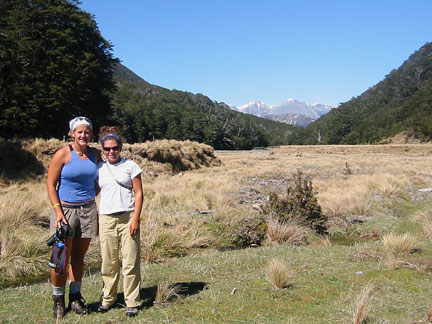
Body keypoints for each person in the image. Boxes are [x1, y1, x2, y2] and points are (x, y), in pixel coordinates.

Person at [46, 116, 101, 319]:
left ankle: (75, 298)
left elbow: (100, 179)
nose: (83, 135)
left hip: (87, 210)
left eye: (86, 131)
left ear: (91, 134)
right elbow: (51, 185)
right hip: (65, 211)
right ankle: (58, 300)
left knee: (79, 256)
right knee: (60, 259)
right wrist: (58, 212)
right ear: (71, 133)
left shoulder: (95, 154)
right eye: (79, 131)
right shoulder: (62, 154)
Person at [96, 126, 143, 317]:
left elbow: (139, 192)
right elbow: (93, 190)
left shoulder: (131, 166)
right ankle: (108, 299)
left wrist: (136, 219)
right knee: (109, 262)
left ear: (120, 147)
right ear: (102, 150)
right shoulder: (99, 168)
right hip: (106, 218)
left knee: (130, 261)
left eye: (114, 148)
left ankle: (131, 301)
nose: (111, 152)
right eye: (107, 149)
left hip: (128, 217)